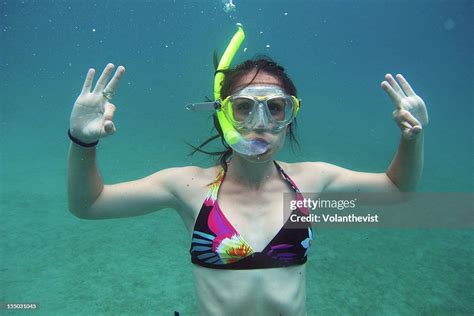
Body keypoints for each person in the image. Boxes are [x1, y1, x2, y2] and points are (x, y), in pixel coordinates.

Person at [67, 24, 428, 316]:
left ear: (291, 116)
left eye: (275, 108)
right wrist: (83, 142)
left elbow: (397, 191)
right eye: (243, 108)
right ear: (223, 114)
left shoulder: (311, 180)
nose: (261, 123)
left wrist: (412, 138)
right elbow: (90, 204)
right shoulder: (188, 185)